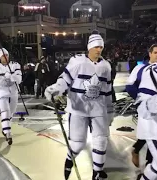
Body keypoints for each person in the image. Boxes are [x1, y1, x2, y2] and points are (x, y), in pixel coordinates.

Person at [44, 30, 113, 180]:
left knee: (101, 141)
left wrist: (110, 109)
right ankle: (69, 159)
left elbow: (108, 90)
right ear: (89, 47)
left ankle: (97, 172)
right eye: (96, 47)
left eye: (101, 47)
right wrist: (56, 89)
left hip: (98, 108)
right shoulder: (78, 62)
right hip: (78, 108)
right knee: (78, 144)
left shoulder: (106, 66)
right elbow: (65, 79)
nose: (99, 49)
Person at [125, 44, 157, 167]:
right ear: (150, 53)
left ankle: (143, 157)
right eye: (156, 52)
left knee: (153, 133)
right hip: (145, 105)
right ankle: (148, 163)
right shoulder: (139, 68)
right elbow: (130, 86)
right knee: (152, 133)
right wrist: (140, 100)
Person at [0, 48, 22, 145]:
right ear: (0, 57)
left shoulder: (15, 65)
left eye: (7, 55)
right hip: (2, 93)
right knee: (5, 112)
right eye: (3, 56)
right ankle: (8, 133)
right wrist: (4, 79)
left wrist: (11, 77)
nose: (6, 57)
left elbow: (19, 79)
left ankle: (5, 128)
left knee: (10, 113)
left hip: (13, 93)